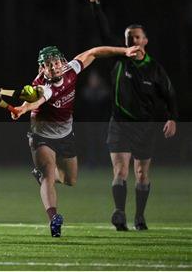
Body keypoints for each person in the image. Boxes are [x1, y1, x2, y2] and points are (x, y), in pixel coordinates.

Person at [11, 45, 143, 237]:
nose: (54, 67)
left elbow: (94, 52)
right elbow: (38, 98)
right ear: (42, 69)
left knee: (70, 179)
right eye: (48, 65)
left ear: (62, 62)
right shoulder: (43, 86)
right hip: (41, 135)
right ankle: (54, 219)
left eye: (56, 62)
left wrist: (124, 51)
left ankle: (40, 175)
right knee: (48, 173)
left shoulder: (71, 69)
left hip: (65, 134)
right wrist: (23, 109)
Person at [87, 0, 178, 231]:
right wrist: (96, 5)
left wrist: (172, 117)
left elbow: (170, 94)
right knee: (120, 171)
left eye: (137, 37)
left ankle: (139, 216)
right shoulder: (120, 62)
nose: (132, 42)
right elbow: (104, 33)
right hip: (120, 124)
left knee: (141, 174)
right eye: (128, 39)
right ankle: (119, 212)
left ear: (145, 41)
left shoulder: (155, 69)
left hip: (145, 127)